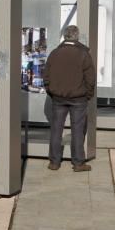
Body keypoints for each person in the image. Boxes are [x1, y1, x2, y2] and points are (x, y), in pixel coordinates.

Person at [43, 25, 95, 172]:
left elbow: (46, 76)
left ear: (64, 36)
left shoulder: (54, 53)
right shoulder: (84, 54)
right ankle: (78, 163)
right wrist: (87, 95)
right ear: (77, 36)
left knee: (56, 130)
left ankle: (54, 162)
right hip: (79, 98)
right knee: (78, 130)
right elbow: (90, 79)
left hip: (58, 98)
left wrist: (52, 92)